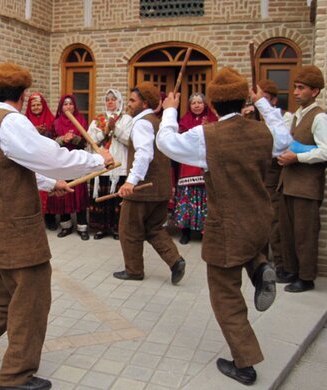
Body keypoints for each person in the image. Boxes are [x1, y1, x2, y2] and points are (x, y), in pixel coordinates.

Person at [0, 62, 113, 390]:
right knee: (32, 297)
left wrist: (48, 183)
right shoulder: (13, 122)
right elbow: (51, 155)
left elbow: (15, 166)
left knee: (5, 293)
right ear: (24, 95)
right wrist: (99, 160)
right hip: (15, 231)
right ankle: (15, 375)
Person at [157, 67, 291, 385]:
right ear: (245, 98)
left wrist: (170, 110)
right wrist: (265, 106)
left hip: (228, 225)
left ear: (214, 105)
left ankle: (244, 363)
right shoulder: (263, 132)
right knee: (246, 250)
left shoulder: (208, 136)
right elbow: (284, 139)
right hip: (259, 220)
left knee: (225, 295)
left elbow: (166, 143)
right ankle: (260, 268)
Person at [112, 82, 186, 283]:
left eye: (132, 100)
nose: (129, 104)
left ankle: (134, 270)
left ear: (144, 103)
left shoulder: (143, 123)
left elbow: (144, 154)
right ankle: (175, 260)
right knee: (154, 228)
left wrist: (131, 182)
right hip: (160, 188)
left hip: (143, 190)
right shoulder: (157, 122)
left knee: (128, 230)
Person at [277, 65, 327, 292]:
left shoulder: (319, 118)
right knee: (287, 232)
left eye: (301, 88)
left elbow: (325, 151)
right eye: (295, 88)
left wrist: (297, 157)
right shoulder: (297, 116)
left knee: (304, 233)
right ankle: (292, 270)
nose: (295, 92)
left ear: (314, 91)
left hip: (306, 187)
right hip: (288, 184)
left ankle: (306, 278)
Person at [242, 79, 292, 280]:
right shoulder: (257, 118)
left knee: (274, 222)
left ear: (271, 99)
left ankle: (280, 265)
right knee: (257, 219)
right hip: (258, 176)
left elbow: (278, 141)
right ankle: (259, 261)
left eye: (261, 98)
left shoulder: (284, 118)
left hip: (274, 176)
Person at [87, 89, 132, 240]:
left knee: (116, 199)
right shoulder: (98, 120)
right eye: (107, 99)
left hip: (119, 164)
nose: (110, 102)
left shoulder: (126, 119)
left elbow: (130, 141)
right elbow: (91, 141)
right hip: (102, 165)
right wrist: (105, 131)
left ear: (119, 101)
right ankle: (101, 228)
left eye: (113, 99)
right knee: (101, 196)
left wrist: (116, 130)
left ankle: (117, 228)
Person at [175, 92, 218, 244]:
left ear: (205, 104)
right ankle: (185, 231)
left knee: (204, 199)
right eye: (194, 103)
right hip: (188, 165)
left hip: (204, 164)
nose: (197, 105)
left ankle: (204, 231)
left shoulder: (213, 119)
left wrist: (208, 130)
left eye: (200, 102)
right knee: (187, 198)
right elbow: (180, 139)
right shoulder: (184, 121)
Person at [48, 94, 91, 240]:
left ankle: (82, 227)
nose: (68, 107)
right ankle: (66, 226)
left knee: (79, 192)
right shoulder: (56, 123)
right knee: (63, 194)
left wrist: (75, 138)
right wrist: (62, 139)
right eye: (65, 104)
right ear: (61, 108)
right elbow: (51, 143)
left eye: (70, 104)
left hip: (78, 162)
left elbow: (86, 142)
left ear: (74, 106)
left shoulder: (81, 121)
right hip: (62, 162)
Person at [24, 92, 57, 230]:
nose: (36, 107)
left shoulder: (51, 119)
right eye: (33, 105)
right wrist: (34, 132)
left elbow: (56, 138)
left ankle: (50, 219)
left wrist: (45, 134)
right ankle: (34, 220)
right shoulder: (25, 121)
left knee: (49, 187)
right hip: (32, 159)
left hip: (47, 158)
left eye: (38, 105)